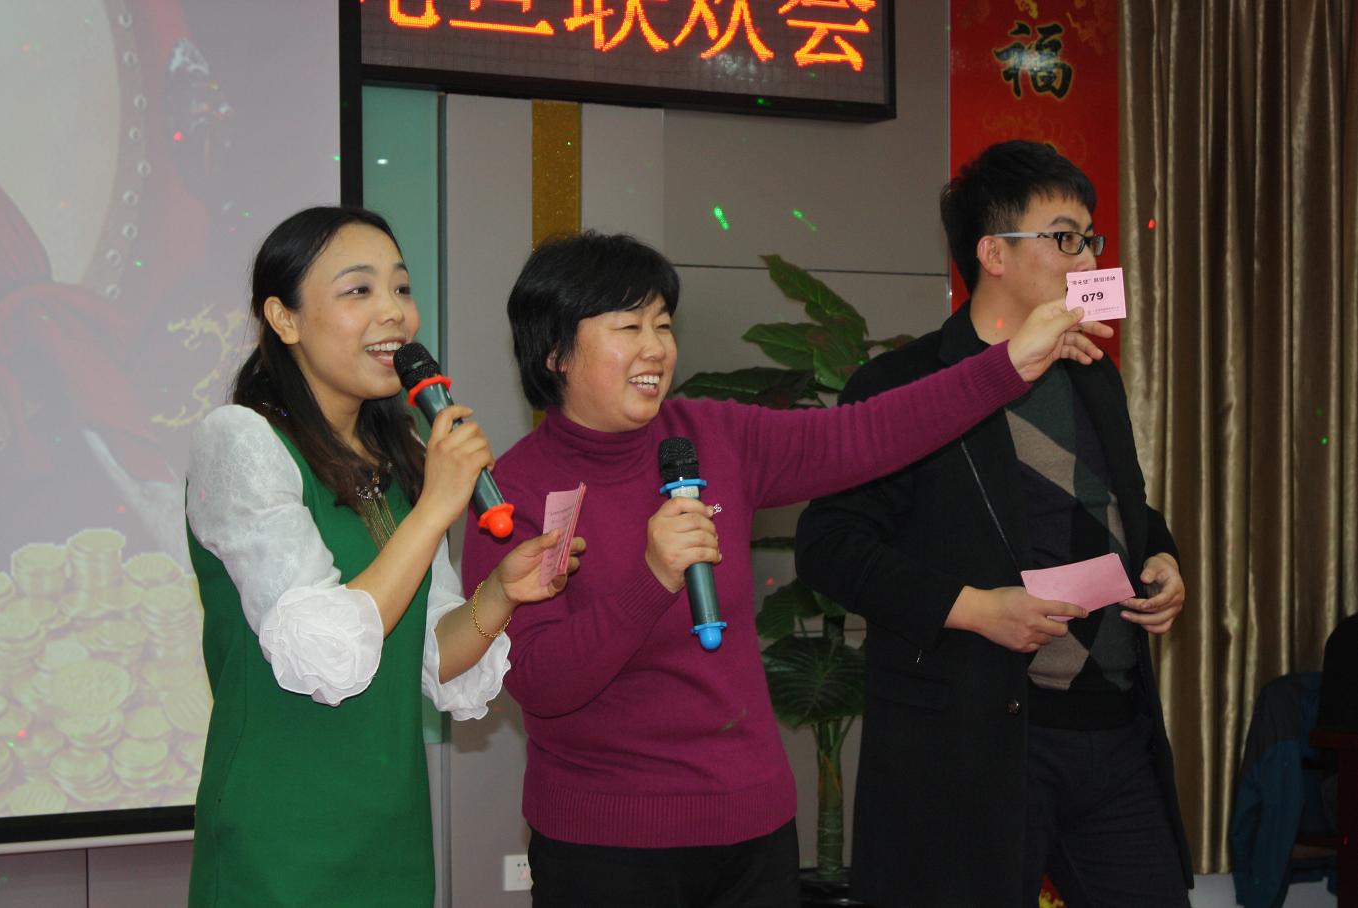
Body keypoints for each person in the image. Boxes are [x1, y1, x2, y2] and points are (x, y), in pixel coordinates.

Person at [460, 229, 1111, 908]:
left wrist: (1009, 364)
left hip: (752, 830)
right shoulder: (515, 494)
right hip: (606, 846)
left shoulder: (710, 436)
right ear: (556, 351)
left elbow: (870, 432)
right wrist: (652, 578)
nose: (656, 348)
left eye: (663, 324)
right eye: (629, 327)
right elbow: (540, 684)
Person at [795, 139, 1194, 907]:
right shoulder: (903, 383)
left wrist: (1163, 558)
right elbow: (830, 547)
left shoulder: (1092, 374)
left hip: (1113, 730)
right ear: (993, 253)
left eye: (1090, 238)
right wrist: (975, 609)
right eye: (1064, 237)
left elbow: (1119, 504)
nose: (1087, 258)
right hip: (976, 739)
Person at [184, 207, 581, 907]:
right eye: (359, 290)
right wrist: (434, 509)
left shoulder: (400, 455)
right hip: (281, 837)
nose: (394, 313)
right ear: (283, 318)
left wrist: (500, 595)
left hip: (390, 831)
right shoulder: (241, 440)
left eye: (401, 288)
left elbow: (426, 656)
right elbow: (326, 656)